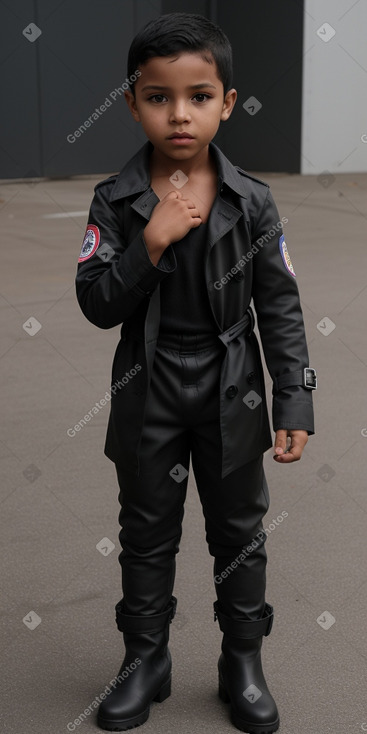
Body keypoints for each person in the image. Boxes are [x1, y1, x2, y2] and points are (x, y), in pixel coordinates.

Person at [75, 12, 316, 734]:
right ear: (132, 101)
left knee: (238, 531)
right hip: (147, 387)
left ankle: (241, 662)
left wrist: (293, 403)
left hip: (230, 387)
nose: (179, 113)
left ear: (226, 101)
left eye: (199, 95)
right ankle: (143, 660)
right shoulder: (115, 201)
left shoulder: (252, 201)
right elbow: (96, 304)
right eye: (158, 97)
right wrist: (147, 244)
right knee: (145, 531)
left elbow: (280, 307)